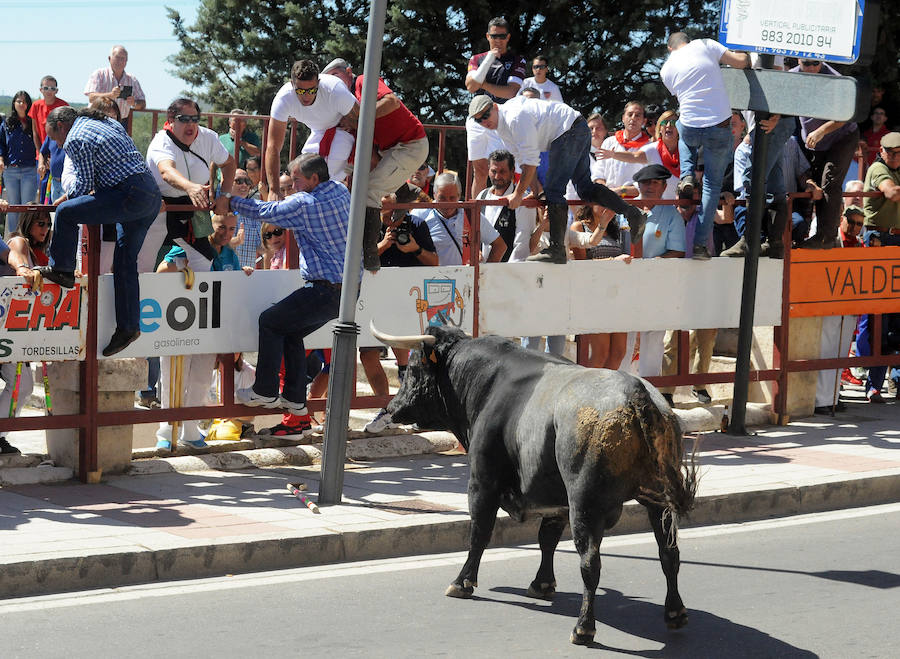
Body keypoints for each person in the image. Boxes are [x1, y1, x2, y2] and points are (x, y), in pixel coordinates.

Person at [229, 154, 349, 426]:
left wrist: (230, 201)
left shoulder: (304, 202)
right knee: (292, 332)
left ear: (314, 179)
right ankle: (295, 399)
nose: (292, 186)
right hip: (347, 290)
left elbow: (264, 212)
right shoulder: (340, 190)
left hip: (324, 289)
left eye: (297, 180)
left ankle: (265, 390)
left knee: (269, 322)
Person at [34, 106, 161, 357]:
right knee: (125, 262)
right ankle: (128, 327)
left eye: (56, 138)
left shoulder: (75, 137)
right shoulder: (106, 122)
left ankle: (62, 269)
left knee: (65, 213)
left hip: (129, 194)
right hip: (149, 196)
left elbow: (84, 185)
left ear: (61, 127)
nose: (59, 144)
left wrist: (67, 200)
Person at [467, 94, 647, 264]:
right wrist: (536, 194)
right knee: (585, 188)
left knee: (554, 189)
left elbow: (530, 162)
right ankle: (633, 214)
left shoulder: (515, 118)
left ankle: (557, 249)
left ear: (495, 107)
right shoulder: (503, 128)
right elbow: (524, 162)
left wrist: (518, 195)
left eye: (486, 115)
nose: (484, 121)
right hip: (575, 127)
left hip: (569, 130)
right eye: (478, 119)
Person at [154, 211, 253, 450]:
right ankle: (167, 431)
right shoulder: (191, 246)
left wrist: (244, 273)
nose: (226, 234)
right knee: (173, 377)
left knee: (200, 378)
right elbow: (160, 272)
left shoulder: (230, 254)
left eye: (231, 229)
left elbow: (233, 288)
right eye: (221, 227)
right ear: (210, 225)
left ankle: (189, 429)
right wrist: (181, 267)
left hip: (212, 326)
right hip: (181, 323)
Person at [324, 58, 429, 272]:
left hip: (409, 144)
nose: (333, 82)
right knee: (360, 172)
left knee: (368, 190)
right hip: (392, 149)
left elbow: (392, 102)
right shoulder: (345, 103)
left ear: (349, 72)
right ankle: (405, 190)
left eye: (335, 75)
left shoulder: (362, 81)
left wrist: (357, 118)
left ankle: (369, 255)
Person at [660, 31, 750, 260]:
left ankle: (687, 175)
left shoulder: (666, 69)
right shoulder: (705, 45)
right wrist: (745, 49)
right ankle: (700, 245)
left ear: (670, 49)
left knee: (681, 126)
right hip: (719, 125)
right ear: (687, 41)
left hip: (690, 126)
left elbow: (679, 94)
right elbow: (741, 62)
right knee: (710, 186)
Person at [363, 191, 439, 433]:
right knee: (367, 355)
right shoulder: (367, 223)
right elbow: (359, 259)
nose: (392, 216)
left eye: (396, 210)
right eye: (385, 210)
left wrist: (414, 249)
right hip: (373, 296)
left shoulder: (417, 224)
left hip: (407, 299)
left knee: (406, 358)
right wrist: (382, 246)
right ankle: (385, 408)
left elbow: (433, 261)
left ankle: (410, 407)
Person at [140, 98, 236, 274]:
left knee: (204, 258)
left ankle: (188, 292)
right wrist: (190, 187)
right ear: (171, 120)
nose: (190, 124)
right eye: (184, 119)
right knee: (143, 263)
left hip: (193, 205)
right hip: (159, 205)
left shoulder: (209, 137)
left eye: (195, 119)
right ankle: (137, 299)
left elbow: (229, 164)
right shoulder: (161, 141)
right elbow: (166, 171)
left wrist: (225, 195)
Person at [790, 58, 860, 249]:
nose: (811, 68)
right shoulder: (791, 78)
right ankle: (808, 234)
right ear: (799, 60)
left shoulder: (835, 79)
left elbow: (845, 116)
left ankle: (826, 237)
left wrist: (821, 131)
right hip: (813, 141)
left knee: (829, 181)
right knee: (812, 184)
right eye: (807, 64)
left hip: (841, 137)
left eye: (816, 63)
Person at [629, 164, 687, 385]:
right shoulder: (628, 210)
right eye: (645, 182)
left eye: (655, 182)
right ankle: (623, 387)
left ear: (664, 186)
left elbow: (678, 251)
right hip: (627, 281)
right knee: (625, 334)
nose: (649, 186)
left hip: (657, 283)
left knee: (653, 337)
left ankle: (649, 389)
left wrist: (654, 264)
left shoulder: (671, 214)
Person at [0, 205, 51, 454]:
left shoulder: (37, 253)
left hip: (17, 326)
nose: (45, 228)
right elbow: (14, 257)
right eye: (40, 223)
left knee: (23, 386)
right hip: (9, 323)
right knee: (21, 386)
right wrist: (22, 268)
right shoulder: (19, 242)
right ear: (28, 222)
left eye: (48, 224)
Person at [659, 188, 717, 404]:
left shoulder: (704, 215)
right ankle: (666, 390)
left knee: (706, 336)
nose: (687, 205)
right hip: (675, 285)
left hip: (704, 283)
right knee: (671, 339)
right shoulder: (667, 218)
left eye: (691, 200)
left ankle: (699, 385)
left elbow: (724, 217)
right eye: (683, 200)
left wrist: (724, 201)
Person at [266, 59, 358, 191]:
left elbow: (364, 122)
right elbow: (272, 146)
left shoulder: (334, 90)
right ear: (292, 84)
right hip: (318, 131)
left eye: (311, 90)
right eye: (301, 91)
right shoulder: (283, 98)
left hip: (343, 127)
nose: (307, 96)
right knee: (302, 170)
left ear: (318, 83)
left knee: (328, 172)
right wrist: (273, 190)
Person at [858, 132, 900, 403]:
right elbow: (892, 192)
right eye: (891, 152)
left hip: (894, 238)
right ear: (882, 152)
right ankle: (873, 384)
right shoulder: (877, 168)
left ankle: (895, 381)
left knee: (895, 314)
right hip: (878, 239)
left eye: (899, 152)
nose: (894, 156)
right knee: (876, 317)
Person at [464, 17, 527, 195]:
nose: (498, 40)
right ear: (487, 36)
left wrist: (482, 84)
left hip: (500, 120)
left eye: (502, 36)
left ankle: (503, 212)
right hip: (476, 119)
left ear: (508, 37)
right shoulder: (477, 59)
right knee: (480, 172)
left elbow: (511, 92)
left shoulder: (517, 60)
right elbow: (470, 86)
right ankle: (476, 216)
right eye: (494, 36)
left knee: (502, 171)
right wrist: (489, 60)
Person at [814, 206, 864, 415]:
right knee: (826, 350)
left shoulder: (860, 244)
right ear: (842, 219)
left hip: (848, 306)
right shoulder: (833, 239)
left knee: (841, 352)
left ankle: (833, 397)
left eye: (859, 223)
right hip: (831, 303)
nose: (854, 227)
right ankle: (820, 400)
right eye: (851, 221)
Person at [570, 204, 631, 369]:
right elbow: (581, 264)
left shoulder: (617, 230)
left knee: (619, 352)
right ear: (590, 203)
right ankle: (589, 393)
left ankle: (606, 392)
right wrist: (612, 262)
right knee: (600, 352)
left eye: (608, 201)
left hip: (616, 294)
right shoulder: (578, 226)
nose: (605, 205)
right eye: (600, 201)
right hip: (594, 295)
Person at [411, 172, 505, 265]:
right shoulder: (420, 215)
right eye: (442, 198)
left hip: (465, 278)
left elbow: (500, 246)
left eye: (452, 198)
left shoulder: (471, 214)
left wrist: (485, 273)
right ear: (434, 194)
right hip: (430, 279)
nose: (447, 203)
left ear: (459, 196)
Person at [597, 108, 681, 199]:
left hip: (682, 206)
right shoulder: (652, 149)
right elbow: (635, 156)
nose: (668, 126)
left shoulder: (687, 151)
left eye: (673, 123)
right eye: (664, 123)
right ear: (660, 129)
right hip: (658, 207)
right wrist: (613, 155)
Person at [476, 150, 535, 262]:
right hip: (482, 270)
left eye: (502, 171)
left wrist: (511, 272)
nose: (497, 176)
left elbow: (522, 242)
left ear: (512, 171)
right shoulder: (482, 196)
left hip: (507, 270)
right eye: (494, 171)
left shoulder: (522, 200)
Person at [0, 92, 39, 236]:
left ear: (28, 104)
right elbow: (2, 145)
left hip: (30, 170)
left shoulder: (32, 122)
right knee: (12, 206)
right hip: (11, 170)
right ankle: (12, 239)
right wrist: (1, 159)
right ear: (14, 104)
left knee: (27, 207)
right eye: (18, 101)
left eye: (24, 101)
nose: (21, 104)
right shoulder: (6, 123)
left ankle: (26, 238)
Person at [593, 101, 651, 197]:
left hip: (635, 203)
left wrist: (621, 191)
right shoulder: (609, 142)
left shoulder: (649, 147)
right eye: (630, 114)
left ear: (644, 121)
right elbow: (598, 173)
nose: (633, 118)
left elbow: (647, 183)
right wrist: (605, 191)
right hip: (607, 200)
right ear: (623, 118)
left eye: (637, 115)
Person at [83, 45, 146, 122]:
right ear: (109, 58)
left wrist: (134, 103)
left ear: (126, 61)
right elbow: (91, 98)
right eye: (117, 57)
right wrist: (110, 95)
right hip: (97, 120)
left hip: (121, 122)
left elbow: (143, 103)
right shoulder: (99, 74)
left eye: (123, 58)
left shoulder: (132, 80)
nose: (120, 61)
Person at [228, 168, 262, 268]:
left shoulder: (254, 213)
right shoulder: (218, 211)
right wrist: (236, 241)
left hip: (247, 277)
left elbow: (261, 248)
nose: (244, 185)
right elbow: (214, 244)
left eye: (247, 182)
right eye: (239, 181)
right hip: (225, 275)